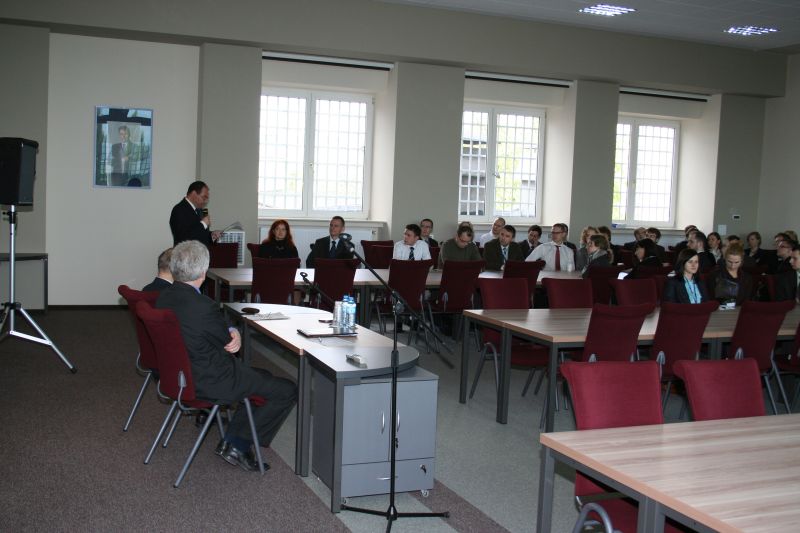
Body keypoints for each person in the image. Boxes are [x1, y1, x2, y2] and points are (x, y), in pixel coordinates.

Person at [156, 241, 297, 472]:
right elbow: (228, 343)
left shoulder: (164, 297)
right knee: (286, 389)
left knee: (259, 376)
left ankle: (233, 439)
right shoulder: (204, 306)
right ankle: (238, 445)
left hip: (179, 377)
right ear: (203, 271)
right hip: (210, 381)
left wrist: (228, 331)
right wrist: (234, 332)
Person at [169, 180, 221, 247]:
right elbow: (183, 238)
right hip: (186, 253)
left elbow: (202, 234)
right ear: (193, 194)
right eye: (204, 197)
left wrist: (211, 235)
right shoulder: (179, 209)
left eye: (207, 198)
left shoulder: (202, 210)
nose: (206, 201)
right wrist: (203, 224)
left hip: (202, 252)